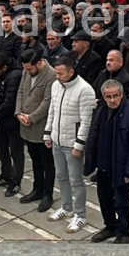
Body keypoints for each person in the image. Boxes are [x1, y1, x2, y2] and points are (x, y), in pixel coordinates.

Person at [84, 80, 129, 244]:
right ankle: (110, 226)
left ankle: (124, 232)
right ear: (103, 96)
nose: (112, 100)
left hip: (121, 167)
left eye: (116, 96)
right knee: (104, 199)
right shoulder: (101, 110)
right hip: (103, 165)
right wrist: (90, 162)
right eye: (108, 97)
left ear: (122, 95)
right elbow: (93, 135)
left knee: (122, 201)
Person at [43, 55, 95, 234]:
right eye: (56, 73)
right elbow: (52, 110)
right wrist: (47, 133)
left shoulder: (85, 90)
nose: (57, 76)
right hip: (57, 140)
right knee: (61, 176)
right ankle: (66, 207)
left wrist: (79, 145)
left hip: (72, 144)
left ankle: (80, 215)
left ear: (71, 71)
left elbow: (86, 121)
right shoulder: (56, 85)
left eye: (60, 73)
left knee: (76, 180)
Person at [15, 50, 54, 211]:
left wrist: (31, 117)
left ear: (39, 63)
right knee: (35, 161)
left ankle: (47, 194)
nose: (28, 72)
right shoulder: (26, 70)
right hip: (25, 125)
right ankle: (37, 189)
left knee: (47, 163)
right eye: (26, 69)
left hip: (41, 126)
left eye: (30, 69)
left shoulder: (51, 75)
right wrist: (18, 113)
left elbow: (47, 102)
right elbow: (21, 92)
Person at [0, 53, 23, 197]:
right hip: (0, 117)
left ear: (5, 67)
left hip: (12, 119)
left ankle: (16, 181)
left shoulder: (14, 76)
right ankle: (6, 174)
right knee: (0, 145)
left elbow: (10, 99)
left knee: (16, 151)